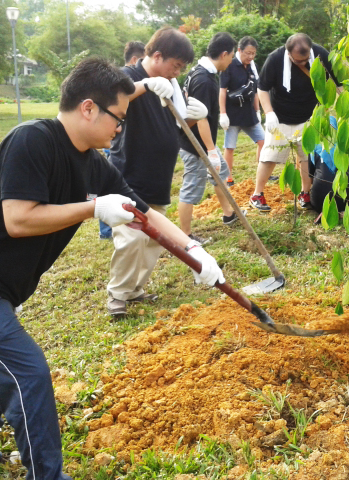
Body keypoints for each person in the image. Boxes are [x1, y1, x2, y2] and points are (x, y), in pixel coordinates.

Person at [0, 57, 224, 480]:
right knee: (28, 373)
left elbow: (145, 214)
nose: (120, 128)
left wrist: (195, 252)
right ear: (88, 108)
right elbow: (18, 220)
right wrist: (93, 208)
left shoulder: (93, 162)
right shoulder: (31, 140)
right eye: (118, 118)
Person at [106, 27, 208, 317]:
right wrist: (147, 85)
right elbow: (115, 101)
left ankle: (135, 289)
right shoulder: (128, 77)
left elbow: (172, 128)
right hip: (130, 172)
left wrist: (191, 116)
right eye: (175, 66)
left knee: (153, 239)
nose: (177, 73)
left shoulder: (172, 86)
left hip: (159, 174)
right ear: (158, 55)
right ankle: (118, 294)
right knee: (131, 236)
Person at [250, 33, 339, 212]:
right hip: (280, 117)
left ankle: (304, 193)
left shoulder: (321, 54)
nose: (303, 64)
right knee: (270, 156)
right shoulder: (274, 59)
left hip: (309, 117)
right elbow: (262, 88)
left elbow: (337, 82)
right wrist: (269, 113)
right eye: (298, 61)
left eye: (305, 60)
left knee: (306, 156)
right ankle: (257, 194)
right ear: (288, 52)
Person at [178, 32, 239, 241]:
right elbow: (200, 118)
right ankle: (186, 236)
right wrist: (211, 150)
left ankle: (229, 215)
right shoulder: (204, 80)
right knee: (192, 187)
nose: (231, 61)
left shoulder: (202, 71)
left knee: (221, 174)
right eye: (231, 56)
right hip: (194, 144)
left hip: (202, 142)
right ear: (224, 54)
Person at [99, 41, 147, 240]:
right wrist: (147, 85)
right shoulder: (123, 76)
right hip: (115, 142)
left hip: (117, 140)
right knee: (112, 185)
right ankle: (107, 230)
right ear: (135, 59)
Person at [218, 36, 265, 187]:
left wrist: (258, 110)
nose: (250, 56)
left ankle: (262, 172)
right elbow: (222, 91)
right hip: (232, 114)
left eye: (253, 53)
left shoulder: (252, 66)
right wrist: (223, 113)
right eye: (247, 53)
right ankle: (228, 178)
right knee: (230, 147)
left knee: (263, 141)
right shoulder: (229, 65)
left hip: (249, 112)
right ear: (239, 50)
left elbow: (255, 90)